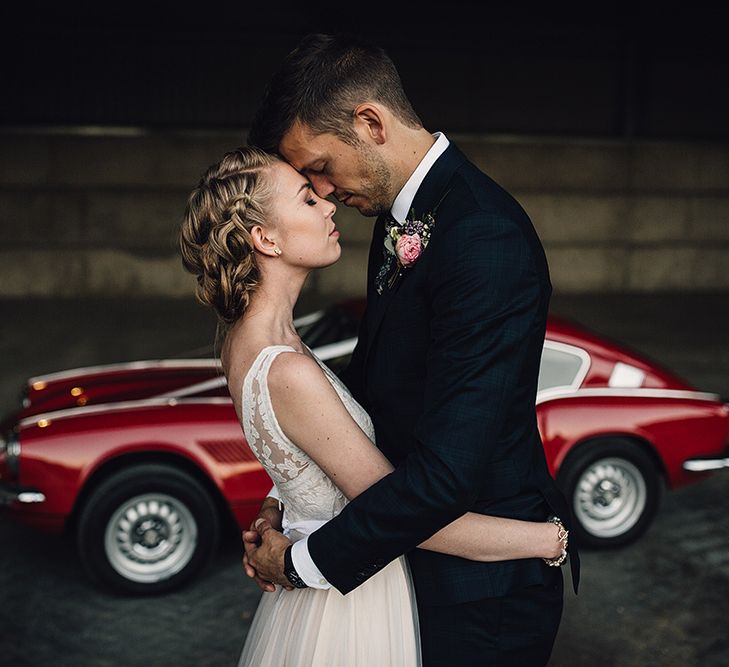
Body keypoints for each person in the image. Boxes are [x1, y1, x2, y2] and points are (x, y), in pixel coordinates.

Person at [242, 34, 580, 666]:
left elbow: (450, 475)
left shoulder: (484, 237)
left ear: (370, 123)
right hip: (409, 556)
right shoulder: (401, 217)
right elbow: (376, 386)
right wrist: (291, 492)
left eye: (318, 166)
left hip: (482, 596)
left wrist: (302, 563)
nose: (321, 188)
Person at [179, 146, 569, 666]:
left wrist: (280, 501)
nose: (328, 205)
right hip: (353, 608)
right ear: (265, 239)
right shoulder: (287, 369)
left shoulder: (242, 341)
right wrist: (544, 539)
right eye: (305, 198)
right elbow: (405, 512)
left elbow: (296, 446)